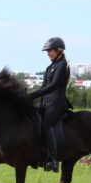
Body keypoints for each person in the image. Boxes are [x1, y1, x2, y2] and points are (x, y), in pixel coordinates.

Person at [29, 37, 71, 172]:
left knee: (47, 124)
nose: (48, 54)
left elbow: (53, 86)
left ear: (58, 51)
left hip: (57, 103)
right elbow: (44, 86)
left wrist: (34, 95)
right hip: (46, 103)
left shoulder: (62, 65)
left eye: (50, 51)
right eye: (47, 52)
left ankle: (53, 159)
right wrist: (32, 97)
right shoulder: (50, 67)